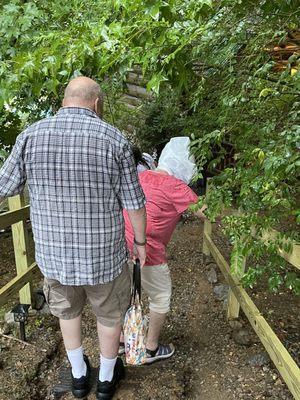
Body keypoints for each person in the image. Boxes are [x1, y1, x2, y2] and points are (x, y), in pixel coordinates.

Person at [0, 77, 147, 399]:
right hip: (104, 256)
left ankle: (80, 377)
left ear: (65, 100)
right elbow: (135, 203)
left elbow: (5, 187)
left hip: (54, 256)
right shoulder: (114, 138)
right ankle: (106, 382)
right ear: (96, 103)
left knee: (68, 313)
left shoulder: (31, 135)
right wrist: (140, 243)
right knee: (109, 315)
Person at [123, 137, 207, 364]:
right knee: (160, 297)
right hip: (148, 250)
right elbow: (207, 212)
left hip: (123, 246)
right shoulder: (176, 186)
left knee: (129, 292)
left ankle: (124, 339)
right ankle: (150, 349)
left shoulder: (139, 176)